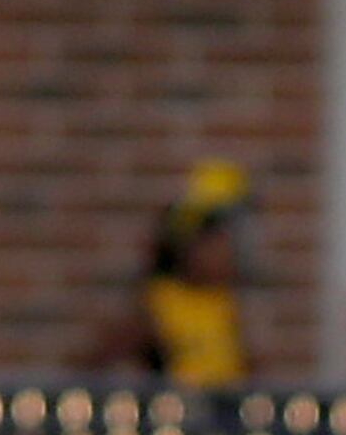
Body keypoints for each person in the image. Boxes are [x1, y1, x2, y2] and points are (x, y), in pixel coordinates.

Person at [86, 158, 259, 388]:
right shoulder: (158, 304)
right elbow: (96, 364)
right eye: (219, 240)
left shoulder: (226, 305)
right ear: (188, 243)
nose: (231, 252)